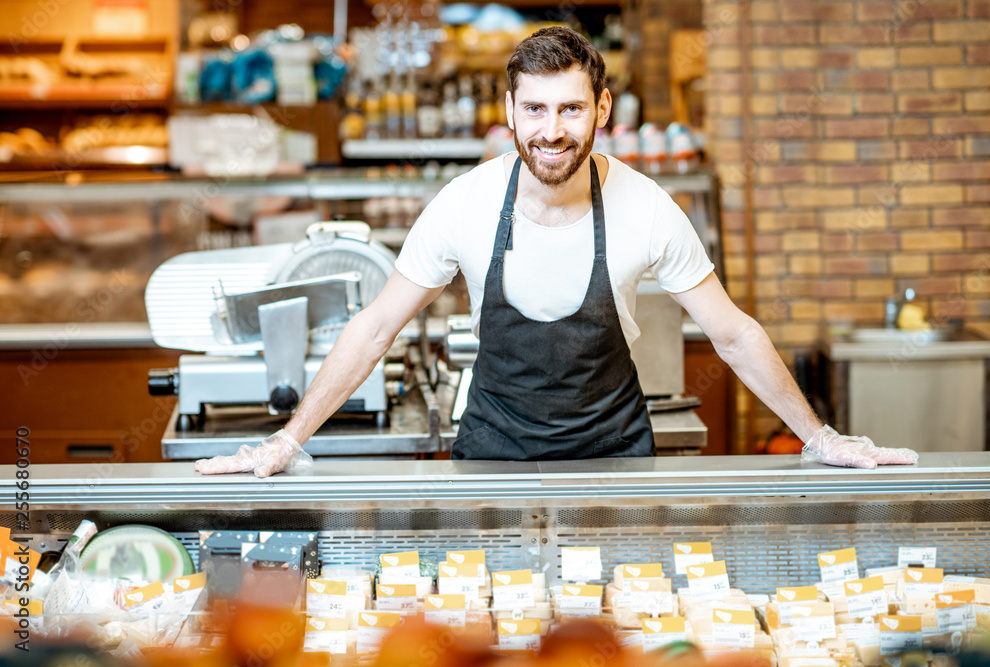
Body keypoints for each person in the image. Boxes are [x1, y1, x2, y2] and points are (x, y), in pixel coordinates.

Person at [195, 27, 918, 477]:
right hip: (492, 457)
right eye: (534, 110)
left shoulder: (646, 206)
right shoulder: (466, 203)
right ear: (509, 112)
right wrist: (287, 440)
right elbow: (376, 326)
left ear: (602, 109)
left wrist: (819, 438)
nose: (551, 130)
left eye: (571, 108)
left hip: (615, 459)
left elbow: (731, 332)